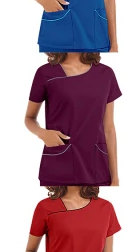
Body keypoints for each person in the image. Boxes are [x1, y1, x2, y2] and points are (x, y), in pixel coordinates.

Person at [24, 53, 120, 186]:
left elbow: (108, 128)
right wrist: (43, 133)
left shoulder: (106, 73)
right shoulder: (45, 72)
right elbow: (29, 118)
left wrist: (115, 177)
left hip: (97, 166)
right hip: (59, 164)